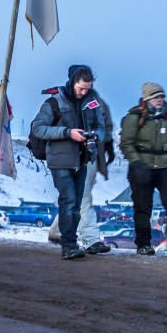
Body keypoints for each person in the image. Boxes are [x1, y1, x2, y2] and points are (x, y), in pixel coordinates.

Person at [30, 65, 107, 260]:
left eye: (87, 88)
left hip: (82, 159)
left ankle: (70, 242)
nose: (84, 92)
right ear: (73, 82)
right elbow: (38, 128)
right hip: (60, 159)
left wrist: (95, 136)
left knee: (77, 203)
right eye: (81, 88)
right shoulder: (55, 102)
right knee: (69, 200)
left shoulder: (92, 102)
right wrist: (67, 132)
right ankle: (69, 245)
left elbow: (101, 127)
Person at [47, 70, 116, 254]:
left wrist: (107, 143)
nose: (86, 89)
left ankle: (57, 230)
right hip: (69, 154)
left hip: (89, 153)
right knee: (82, 197)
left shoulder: (94, 100)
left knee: (76, 198)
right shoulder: (62, 100)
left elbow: (105, 124)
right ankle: (91, 239)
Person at [120, 82, 167, 255]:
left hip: (165, 165)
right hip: (142, 166)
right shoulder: (134, 117)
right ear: (147, 99)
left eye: (162, 96)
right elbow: (126, 144)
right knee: (143, 207)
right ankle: (143, 243)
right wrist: (136, 163)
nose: (160, 100)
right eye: (156, 97)